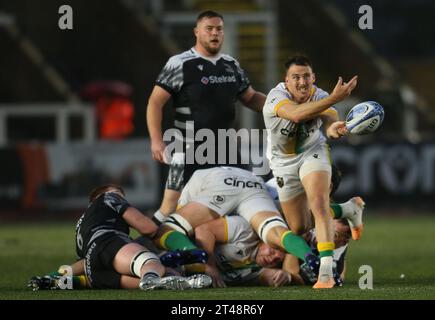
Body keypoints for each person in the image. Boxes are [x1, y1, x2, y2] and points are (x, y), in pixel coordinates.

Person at [146, 10, 266, 224]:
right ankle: (144, 248)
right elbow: (155, 102)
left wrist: (282, 105)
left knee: (245, 199)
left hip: (227, 149)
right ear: (197, 32)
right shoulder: (179, 63)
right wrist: (156, 139)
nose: (214, 33)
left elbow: (250, 97)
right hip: (187, 150)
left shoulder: (231, 64)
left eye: (219, 29)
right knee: (171, 209)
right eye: (208, 29)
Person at [262, 55, 358, 288]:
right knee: (299, 228)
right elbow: (296, 114)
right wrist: (336, 98)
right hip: (282, 162)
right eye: (296, 77)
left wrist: (334, 129)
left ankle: (326, 273)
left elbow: (331, 121)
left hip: (313, 152)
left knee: (318, 202)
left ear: (313, 77)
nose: (302, 82)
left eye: (306, 76)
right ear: (286, 80)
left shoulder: (321, 95)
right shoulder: (276, 98)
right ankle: (349, 208)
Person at [153, 166, 323, 287]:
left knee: (276, 233)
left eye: (277, 260)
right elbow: (204, 230)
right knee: (165, 229)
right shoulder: (245, 230)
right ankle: (191, 251)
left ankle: (309, 257)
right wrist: (209, 265)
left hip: (254, 184)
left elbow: (273, 274)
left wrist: (287, 276)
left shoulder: (255, 267)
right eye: (275, 250)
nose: (273, 256)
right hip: (220, 180)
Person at [28, 184, 212, 291]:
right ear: (103, 194)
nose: (122, 197)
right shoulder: (109, 197)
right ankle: (152, 276)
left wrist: (50, 277)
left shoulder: (81, 223)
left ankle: (173, 280)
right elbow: (148, 228)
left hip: (94, 269)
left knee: (164, 276)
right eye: (120, 194)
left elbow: (82, 263)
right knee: (151, 263)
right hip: (110, 242)